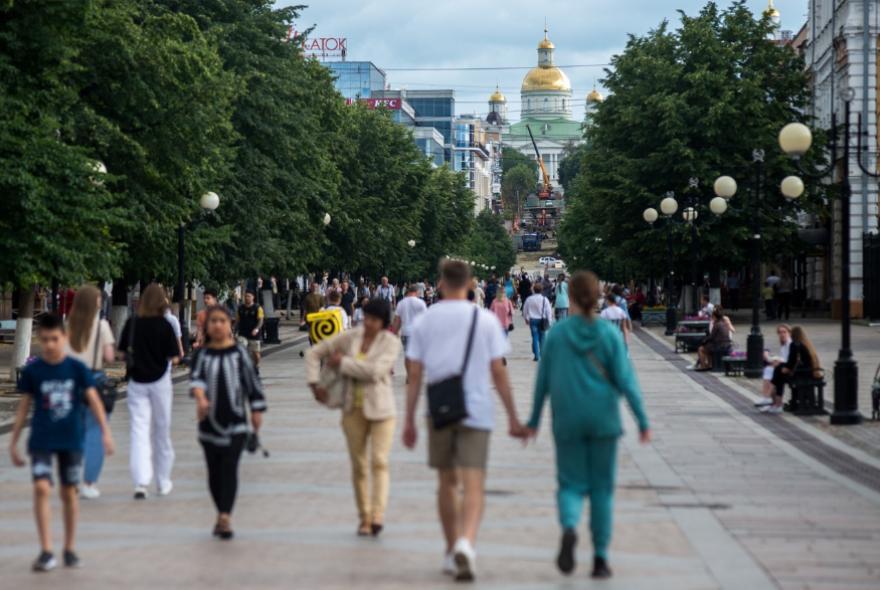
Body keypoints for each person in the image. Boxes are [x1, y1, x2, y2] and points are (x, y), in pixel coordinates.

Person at [403, 259, 525, 582]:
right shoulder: (484, 320)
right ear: (471, 283)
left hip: (439, 410)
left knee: (446, 483)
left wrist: (409, 420)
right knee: (474, 483)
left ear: (441, 283)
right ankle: (466, 543)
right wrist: (513, 416)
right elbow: (498, 371)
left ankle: (448, 549)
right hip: (477, 410)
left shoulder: (426, 322)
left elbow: (414, 374)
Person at [525, 271, 650, 580]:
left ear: (568, 292)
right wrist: (642, 420)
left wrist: (533, 421)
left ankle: (569, 526)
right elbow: (626, 380)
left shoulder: (557, 334)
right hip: (604, 418)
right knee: (602, 489)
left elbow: (542, 382)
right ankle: (600, 557)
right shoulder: (608, 335)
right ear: (597, 296)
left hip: (566, 418)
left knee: (569, 483)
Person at [9, 313, 114, 571]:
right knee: (42, 488)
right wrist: (14, 442)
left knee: (69, 492)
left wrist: (105, 433)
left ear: (64, 338)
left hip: (71, 439)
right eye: (44, 340)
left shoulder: (76, 368)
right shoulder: (34, 371)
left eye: (54, 339)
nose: (49, 345)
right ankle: (46, 550)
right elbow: (24, 408)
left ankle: (69, 547)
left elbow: (95, 401)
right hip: (42, 439)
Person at [307, 299, 400, 537]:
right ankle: (364, 517)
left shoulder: (390, 342)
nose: (368, 324)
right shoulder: (350, 337)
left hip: (382, 410)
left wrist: (344, 363)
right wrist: (313, 383)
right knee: (359, 465)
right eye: (366, 317)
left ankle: (378, 514)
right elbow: (314, 352)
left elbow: (376, 371)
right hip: (352, 409)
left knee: (379, 461)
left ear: (383, 323)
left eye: (375, 320)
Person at [190, 306, 266, 539]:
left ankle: (225, 516)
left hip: (236, 424)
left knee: (229, 468)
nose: (217, 325)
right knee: (214, 473)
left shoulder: (239, 354)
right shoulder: (202, 355)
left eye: (222, 321)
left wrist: (256, 409)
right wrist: (201, 398)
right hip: (209, 425)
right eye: (213, 321)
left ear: (229, 324)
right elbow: (196, 382)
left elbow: (252, 383)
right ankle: (220, 511)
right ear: (207, 326)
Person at [119, 283, 181, 499]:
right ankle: (163, 480)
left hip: (137, 382)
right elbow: (174, 357)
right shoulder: (165, 326)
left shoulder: (132, 323)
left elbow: (121, 353)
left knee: (139, 430)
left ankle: (140, 481)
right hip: (160, 381)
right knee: (161, 431)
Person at [66, 285, 116, 499]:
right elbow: (110, 356)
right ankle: (89, 482)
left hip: (71, 382)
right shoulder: (101, 326)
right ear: (92, 302)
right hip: (94, 380)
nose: (100, 302)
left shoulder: (67, 325)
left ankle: (73, 478)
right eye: (97, 299)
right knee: (94, 432)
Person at [762, 325, 821, 414]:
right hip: (807, 372)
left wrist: (785, 368)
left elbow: (791, 361)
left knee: (779, 374)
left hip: (802, 374)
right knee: (778, 371)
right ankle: (775, 402)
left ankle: (775, 402)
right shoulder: (805, 344)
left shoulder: (795, 344)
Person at [393, 284, 428, 380]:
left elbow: (397, 321)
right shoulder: (421, 303)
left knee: (407, 355)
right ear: (416, 292)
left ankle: (409, 375)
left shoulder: (401, 303)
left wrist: (394, 333)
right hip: (417, 333)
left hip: (405, 332)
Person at [756, 324, 792, 408]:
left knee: (771, 371)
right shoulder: (784, 344)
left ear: (789, 333)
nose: (782, 334)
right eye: (780, 332)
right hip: (783, 368)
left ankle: (768, 398)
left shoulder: (790, 344)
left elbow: (789, 360)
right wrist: (772, 359)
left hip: (789, 370)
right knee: (769, 369)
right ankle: (770, 400)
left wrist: (776, 361)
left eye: (784, 332)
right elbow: (784, 358)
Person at [694, 307, 732, 371]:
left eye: (712, 316)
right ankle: (709, 365)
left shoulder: (717, 324)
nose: (711, 317)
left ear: (714, 316)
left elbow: (712, 336)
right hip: (727, 344)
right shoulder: (723, 323)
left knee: (701, 349)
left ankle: (703, 366)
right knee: (708, 347)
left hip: (720, 346)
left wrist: (704, 340)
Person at [522, 282, 553, 361]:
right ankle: (543, 355)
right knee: (542, 338)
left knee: (535, 338)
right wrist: (549, 321)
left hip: (533, 320)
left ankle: (536, 356)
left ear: (534, 290)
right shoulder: (544, 299)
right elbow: (548, 311)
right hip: (542, 320)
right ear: (542, 290)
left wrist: (526, 318)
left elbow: (525, 310)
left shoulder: (529, 299)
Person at [236, 291, 264, 370]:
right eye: (245, 296)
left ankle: (256, 365)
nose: (247, 298)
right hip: (242, 333)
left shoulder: (258, 308)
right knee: (241, 348)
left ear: (253, 297)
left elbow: (261, 320)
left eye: (249, 296)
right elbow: (237, 321)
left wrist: (257, 329)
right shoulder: (240, 308)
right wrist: (233, 331)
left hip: (254, 334)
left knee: (256, 353)